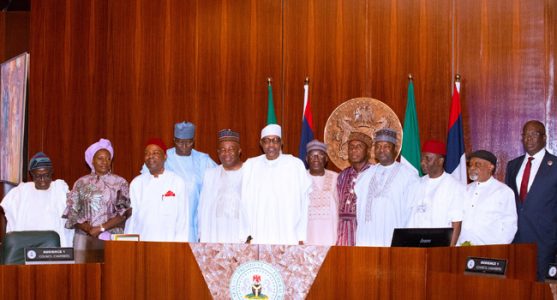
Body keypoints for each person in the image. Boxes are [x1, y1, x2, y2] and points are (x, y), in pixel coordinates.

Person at [141, 121, 216, 242]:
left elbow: (216, 184)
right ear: (174, 140)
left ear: (193, 141)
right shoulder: (162, 157)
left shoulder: (203, 160)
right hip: (162, 222)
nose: (185, 146)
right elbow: (146, 184)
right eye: (180, 142)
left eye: (189, 142)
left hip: (192, 221)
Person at [240, 124, 311, 245]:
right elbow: (243, 203)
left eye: (275, 140)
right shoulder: (250, 166)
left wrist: (301, 235)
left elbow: (305, 201)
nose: (271, 145)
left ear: (281, 143)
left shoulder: (295, 165)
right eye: (267, 141)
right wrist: (245, 235)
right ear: (261, 144)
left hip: (287, 233)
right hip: (258, 233)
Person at [505, 120, 557, 280]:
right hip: (517, 240)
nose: (529, 138)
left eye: (534, 134)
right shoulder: (513, 165)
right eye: (525, 135)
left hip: (546, 242)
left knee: (544, 290)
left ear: (544, 137)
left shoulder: (555, 165)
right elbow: (509, 203)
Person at [354, 128, 418, 246]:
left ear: (395, 149)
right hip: (368, 239)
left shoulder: (408, 176)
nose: (381, 150)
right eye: (378, 146)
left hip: (393, 237)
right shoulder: (365, 176)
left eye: (386, 146)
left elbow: (412, 212)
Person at [63, 139, 130, 248]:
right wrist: (87, 229)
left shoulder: (120, 182)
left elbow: (123, 213)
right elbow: (72, 214)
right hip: (84, 238)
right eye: (100, 158)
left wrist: (101, 228)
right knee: (83, 266)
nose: (105, 162)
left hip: (112, 237)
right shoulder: (81, 183)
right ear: (92, 160)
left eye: (108, 159)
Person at [1, 152, 73, 247]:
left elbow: (73, 213)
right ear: (31, 174)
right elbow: (6, 209)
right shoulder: (20, 192)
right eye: (38, 176)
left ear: (52, 172)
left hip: (55, 248)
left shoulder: (60, 189)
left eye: (47, 175)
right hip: (26, 247)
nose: (43, 180)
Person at [126, 138, 189, 242]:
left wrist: (179, 246)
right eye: (147, 153)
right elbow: (131, 220)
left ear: (165, 156)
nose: (150, 156)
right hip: (142, 243)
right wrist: (129, 244)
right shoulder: (136, 183)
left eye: (155, 153)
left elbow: (183, 219)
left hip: (169, 244)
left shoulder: (177, 182)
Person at [406, 140, 464, 246]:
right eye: (422, 158)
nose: (423, 162)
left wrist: (449, 252)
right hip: (416, 245)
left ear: (440, 161)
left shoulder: (454, 186)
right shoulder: (417, 184)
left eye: (428, 158)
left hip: (440, 246)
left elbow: (456, 223)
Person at [458, 150, 517, 246]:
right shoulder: (465, 190)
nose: (472, 168)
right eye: (470, 164)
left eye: (477, 164)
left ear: (490, 167)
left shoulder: (503, 191)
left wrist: (498, 249)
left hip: (490, 250)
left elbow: (509, 226)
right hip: (462, 248)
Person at [198, 129, 244, 243]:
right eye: (222, 150)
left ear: (239, 151)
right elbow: (203, 209)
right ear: (218, 152)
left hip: (241, 235)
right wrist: (201, 235)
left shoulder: (250, 173)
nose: (226, 153)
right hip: (216, 234)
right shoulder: (210, 175)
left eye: (231, 149)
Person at [336, 132, 373, 246]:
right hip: (343, 233)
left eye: (359, 147)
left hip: (366, 230)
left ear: (367, 151)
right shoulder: (342, 175)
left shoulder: (374, 173)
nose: (354, 150)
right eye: (351, 147)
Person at [305, 139, 338, 245]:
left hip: (331, 236)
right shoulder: (300, 178)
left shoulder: (336, 178)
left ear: (326, 159)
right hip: (307, 237)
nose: (316, 159)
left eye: (320, 155)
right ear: (306, 159)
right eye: (312, 155)